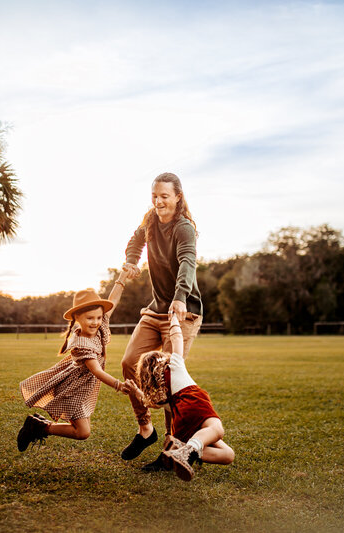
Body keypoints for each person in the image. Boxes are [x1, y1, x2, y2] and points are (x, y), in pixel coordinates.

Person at [119, 172, 203, 471]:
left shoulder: (184, 228)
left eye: (164, 196)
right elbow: (136, 240)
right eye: (154, 196)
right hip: (155, 310)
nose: (158, 201)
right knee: (129, 362)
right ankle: (146, 429)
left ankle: (171, 450)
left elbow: (187, 262)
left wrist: (180, 297)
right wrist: (131, 260)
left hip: (183, 311)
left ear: (178, 197)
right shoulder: (151, 220)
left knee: (170, 378)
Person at [17, 270, 136, 451]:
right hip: (74, 391)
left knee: (82, 430)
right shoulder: (81, 344)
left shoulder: (100, 325)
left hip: (84, 388)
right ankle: (38, 427)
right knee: (82, 432)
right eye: (90, 318)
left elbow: (113, 301)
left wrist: (121, 278)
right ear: (77, 318)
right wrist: (119, 386)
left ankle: (38, 425)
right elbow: (96, 371)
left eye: (98, 317)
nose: (96, 322)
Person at [131, 312, 234, 481]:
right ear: (162, 359)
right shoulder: (174, 365)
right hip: (194, 402)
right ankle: (187, 451)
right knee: (217, 429)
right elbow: (177, 339)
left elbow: (151, 404)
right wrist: (173, 320)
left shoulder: (164, 397)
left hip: (180, 420)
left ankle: (179, 448)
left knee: (227, 454)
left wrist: (136, 391)